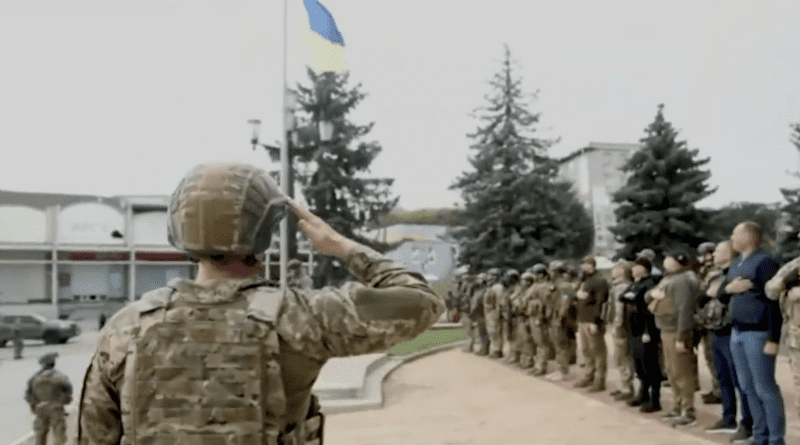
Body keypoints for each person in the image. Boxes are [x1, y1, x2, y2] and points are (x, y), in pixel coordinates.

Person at [77, 162, 444, 445]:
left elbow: (92, 437)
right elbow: (421, 301)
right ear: (265, 231)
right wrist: (341, 246)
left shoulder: (124, 330)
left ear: (180, 233)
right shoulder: (301, 318)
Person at [727, 222, 784, 445]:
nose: (731, 237)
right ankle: (759, 436)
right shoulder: (736, 263)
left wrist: (774, 337)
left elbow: (774, 301)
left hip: (759, 333)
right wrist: (729, 289)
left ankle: (776, 439)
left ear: (748, 236)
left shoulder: (764, 262)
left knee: (765, 388)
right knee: (747, 388)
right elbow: (723, 290)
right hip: (737, 331)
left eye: (735, 233)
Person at [699, 241, 753, 440]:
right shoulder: (715, 274)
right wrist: (715, 291)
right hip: (715, 329)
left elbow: (722, 296)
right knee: (723, 377)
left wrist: (719, 291)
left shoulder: (737, 271)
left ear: (730, 253)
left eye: (719, 251)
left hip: (731, 329)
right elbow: (702, 298)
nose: (714, 255)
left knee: (740, 380)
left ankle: (747, 422)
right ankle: (728, 417)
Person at [648, 250, 701, 427]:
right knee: (671, 370)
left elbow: (684, 309)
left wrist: (682, 335)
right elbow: (650, 296)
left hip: (675, 330)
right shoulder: (669, 278)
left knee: (681, 372)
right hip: (665, 328)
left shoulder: (682, 280)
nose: (665, 260)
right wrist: (652, 295)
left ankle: (688, 410)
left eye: (669, 258)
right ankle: (678, 405)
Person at [621, 257, 663, 412]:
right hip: (633, 329)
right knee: (639, 364)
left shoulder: (649, 284)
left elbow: (647, 308)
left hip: (646, 328)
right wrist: (631, 296)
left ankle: (655, 398)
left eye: (636, 266)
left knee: (650, 365)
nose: (633, 269)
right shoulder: (634, 284)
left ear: (644, 268)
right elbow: (622, 297)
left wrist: (648, 331)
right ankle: (643, 393)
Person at [573, 256, 610, 392]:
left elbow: (601, 302)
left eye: (586, 264)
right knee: (586, 350)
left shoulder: (599, 280)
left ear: (591, 265)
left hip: (592, 320)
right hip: (583, 318)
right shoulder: (585, 279)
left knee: (597, 351)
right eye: (582, 264)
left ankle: (599, 380)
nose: (583, 266)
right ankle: (589, 375)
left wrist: (596, 321)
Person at [697, 241, 723, 405]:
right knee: (708, 355)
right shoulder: (703, 272)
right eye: (703, 254)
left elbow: (711, 293)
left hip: (716, 318)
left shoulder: (717, 271)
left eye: (707, 254)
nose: (705, 258)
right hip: (705, 318)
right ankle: (716, 388)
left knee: (715, 357)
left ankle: (720, 390)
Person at [26, 352, 72, 445]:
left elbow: (29, 394)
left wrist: (34, 406)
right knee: (59, 434)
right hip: (56, 408)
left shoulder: (35, 378)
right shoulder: (60, 377)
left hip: (40, 408)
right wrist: (65, 401)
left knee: (40, 435)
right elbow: (68, 390)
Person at [607, 259, 635, 401]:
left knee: (623, 357)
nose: (614, 270)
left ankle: (627, 387)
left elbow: (619, 309)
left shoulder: (623, 286)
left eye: (617, 268)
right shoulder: (617, 285)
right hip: (616, 324)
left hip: (620, 326)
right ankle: (623, 385)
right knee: (619, 357)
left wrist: (618, 324)